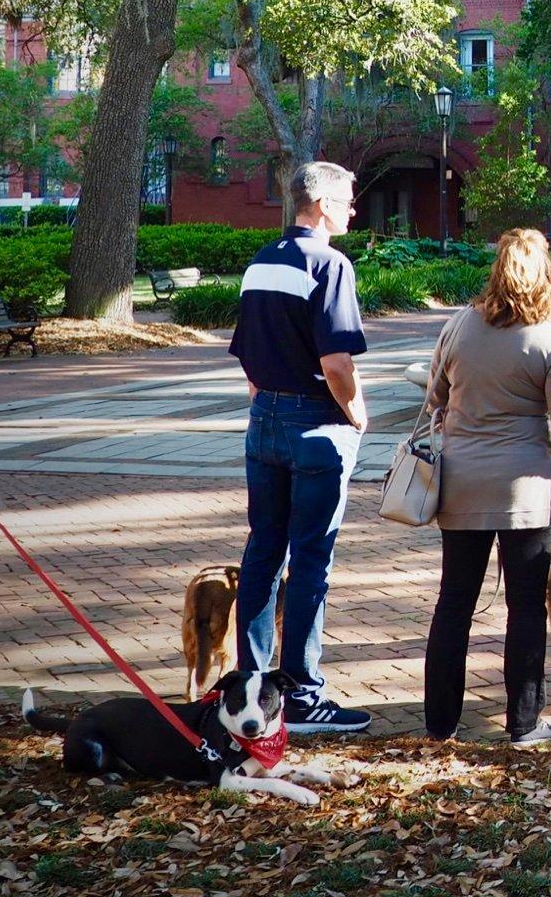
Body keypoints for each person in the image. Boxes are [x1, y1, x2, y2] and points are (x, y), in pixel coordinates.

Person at [423, 229, 551, 746]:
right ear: (545, 276)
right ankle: (524, 723)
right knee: (526, 606)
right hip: (524, 492)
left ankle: (439, 723)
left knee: (453, 602)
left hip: (460, 483)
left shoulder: (459, 325)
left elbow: (435, 394)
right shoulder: (550, 341)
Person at [229, 160, 372, 733]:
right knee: (311, 560)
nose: (354, 211)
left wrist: (268, 398)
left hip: (263, 419)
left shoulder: (260, 263)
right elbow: (336, 362)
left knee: (264, 552)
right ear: (324, 206)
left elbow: (247, 355)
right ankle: (305, 695)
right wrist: (356, 413)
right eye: (349, 201)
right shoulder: (331, 265)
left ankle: (251, 686)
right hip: (315, 423)